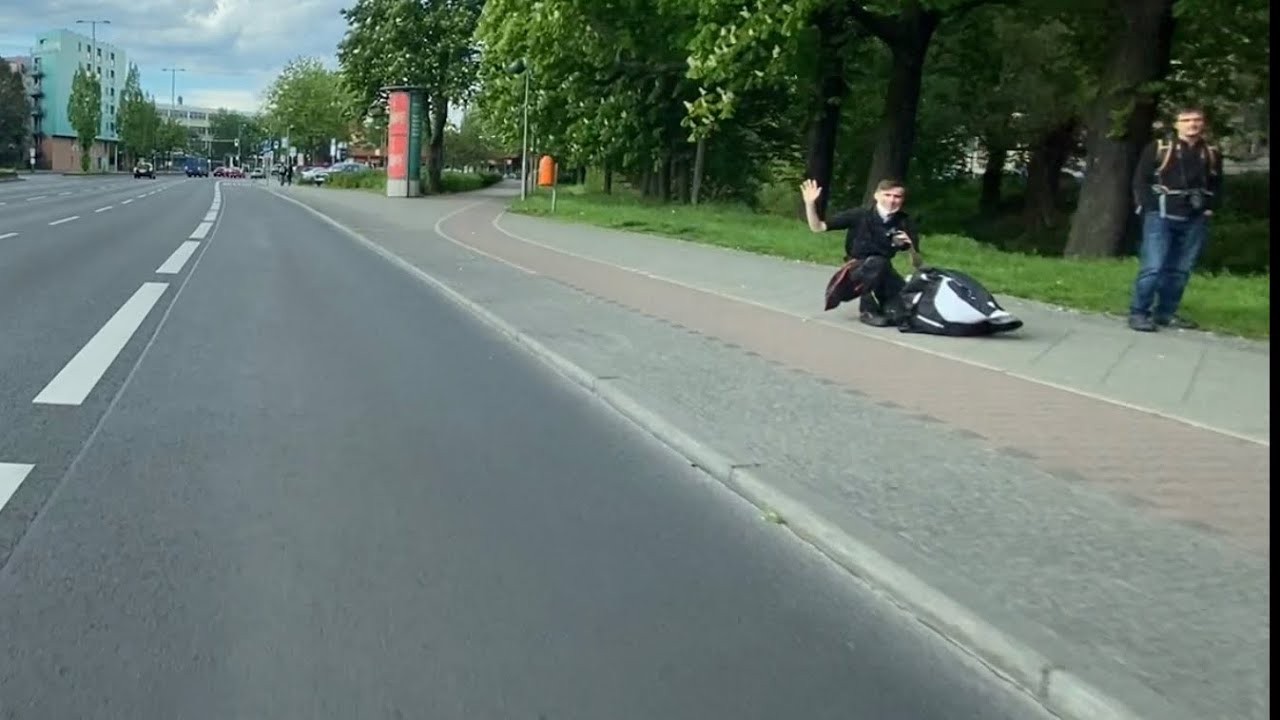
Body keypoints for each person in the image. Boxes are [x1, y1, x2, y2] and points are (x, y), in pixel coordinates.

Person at [1127, 105, 1223, 332]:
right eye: (1187, 120)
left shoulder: (1211, 152)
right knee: (1153, 266)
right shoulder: (1160, 148)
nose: (1193, 124)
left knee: (1181, 269)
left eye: (1197, 120)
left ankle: (1165, 313)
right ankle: (1139, 312)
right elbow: (1140, 179)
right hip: (1161, 213)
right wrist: (1147, 206)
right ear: (1177, 124)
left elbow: (1217, 183)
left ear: (1203, 123)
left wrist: (1209, 206)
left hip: (1194, 217)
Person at [801, 177, 923, 326]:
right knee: (876, 262)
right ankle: (867, 310)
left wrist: (910, 246)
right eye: (887, 195)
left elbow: (917, 264)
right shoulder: (859, 214)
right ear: (876, 195)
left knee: (903, 315)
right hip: (856, 269)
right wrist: (810, 204)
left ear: (902, 199)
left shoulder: (904, 221)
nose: (891, 201)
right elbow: (817, 227)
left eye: (897, 196)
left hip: (884, 269)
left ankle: (888, 307)